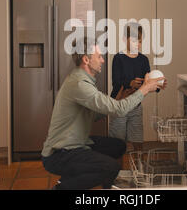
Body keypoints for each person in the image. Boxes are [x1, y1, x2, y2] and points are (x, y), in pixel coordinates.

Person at [41, 37, 164, 190]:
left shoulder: (81, 79)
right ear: (86, 59)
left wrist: (123, 97)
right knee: (110, 167)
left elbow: (95, 115)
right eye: (99, 56)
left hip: (77, 143)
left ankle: (107, 186)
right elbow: (118, 110)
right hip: (60, 153)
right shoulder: (80, 84)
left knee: (118, 146)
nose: (103, 60)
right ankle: (63, 187)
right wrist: (145, 88)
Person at [109, 22, 167, 152]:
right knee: (117, 145)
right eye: (134, 40)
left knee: (137, 143)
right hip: (119, 105)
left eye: (140, 41)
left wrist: (158, 86)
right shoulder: (118, 58)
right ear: (125, 39)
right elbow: (116, 82)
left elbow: (148, 82)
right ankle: (118, 170)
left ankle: (136, 170)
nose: (138, 44)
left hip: (136, 107)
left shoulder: (143, 60)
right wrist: (130, 83)